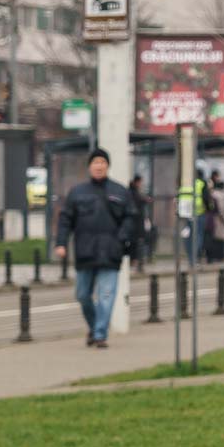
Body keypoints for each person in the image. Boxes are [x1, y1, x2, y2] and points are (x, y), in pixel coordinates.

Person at [54, 148, 138, 349]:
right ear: (89, 166)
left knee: (106, 295)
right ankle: (94, 326)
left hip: (111, 252)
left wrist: (122, 238)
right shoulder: (77, 192)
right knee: (83, 295)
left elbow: (131, 218)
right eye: (95, 162)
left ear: (107, 166)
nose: (99, 166)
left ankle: (100, 334)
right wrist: (61, 243)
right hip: (85, 252)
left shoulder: (120, 192)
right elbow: (65, 220)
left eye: (102, 162)